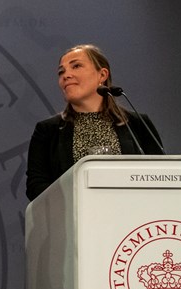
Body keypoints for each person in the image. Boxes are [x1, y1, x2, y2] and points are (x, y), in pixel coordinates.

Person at [26, 44, 164, 201]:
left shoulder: (137, 124)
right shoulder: (48, 130)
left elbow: (159, 175)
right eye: (61, 72)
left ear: (102, 74)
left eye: (76, 66)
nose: (66, 75)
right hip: (75, 220)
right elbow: (36, 186)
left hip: (133, 218)